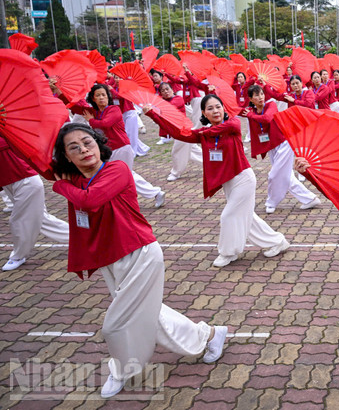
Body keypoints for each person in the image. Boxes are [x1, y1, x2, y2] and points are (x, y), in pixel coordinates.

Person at [51, 123, 228, 398]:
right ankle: (211, 335)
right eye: (73, 148)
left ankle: (120, 370)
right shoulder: (76, 178)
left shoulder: (116, 169)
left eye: (87, 142)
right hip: (109, 260)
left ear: (98, 143)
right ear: (66, 157)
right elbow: (41, 165)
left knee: (115, 324)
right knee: (151, 315)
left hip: (140, 255)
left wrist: (60, 184)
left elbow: (91, 200)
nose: (84, 150)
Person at [144, 94, 289, 268]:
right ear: (204, 113)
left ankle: (227, 253)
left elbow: (225, 127)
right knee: (247, 218)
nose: (215, 111)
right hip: (228, 182)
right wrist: (153, 115)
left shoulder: (232, 125)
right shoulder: (204, 134)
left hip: (243, 178)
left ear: (223, 109)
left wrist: (202, 132)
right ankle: (277, 242)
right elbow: (178, 134)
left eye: (218, 107)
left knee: (228, 215)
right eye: (210, 109)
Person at [84, 84, 166, 208]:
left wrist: (91, 121)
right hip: (109, 150)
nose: (101, 98)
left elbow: (106, 124)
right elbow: (78, 107)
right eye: (98, 95)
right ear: (93, 98)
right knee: (114, 175)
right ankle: (119, 199)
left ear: (108, 97)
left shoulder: (113, 109)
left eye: (104, 95)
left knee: (126, 174)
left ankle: (155, 192)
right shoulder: (95, 113)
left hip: (121, 148)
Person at [243, 84, 320, 214]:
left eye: (261, 93)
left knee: (274, 175)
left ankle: (271, 202)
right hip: (271, 146)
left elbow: (267, 119)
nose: (260, 97)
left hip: (284, 142)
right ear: (251, 99)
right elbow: (235, 111)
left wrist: (251, 116)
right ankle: (310, 199)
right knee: (285, 176)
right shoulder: (252, 110)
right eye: (256, 95)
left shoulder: (271, 105)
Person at [0, 136, 69, 271]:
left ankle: (18, 256)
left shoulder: (6, 132)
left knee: (19, 220)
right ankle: (80, 237)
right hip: (11, 182)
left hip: (26, 181)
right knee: (42, 219)